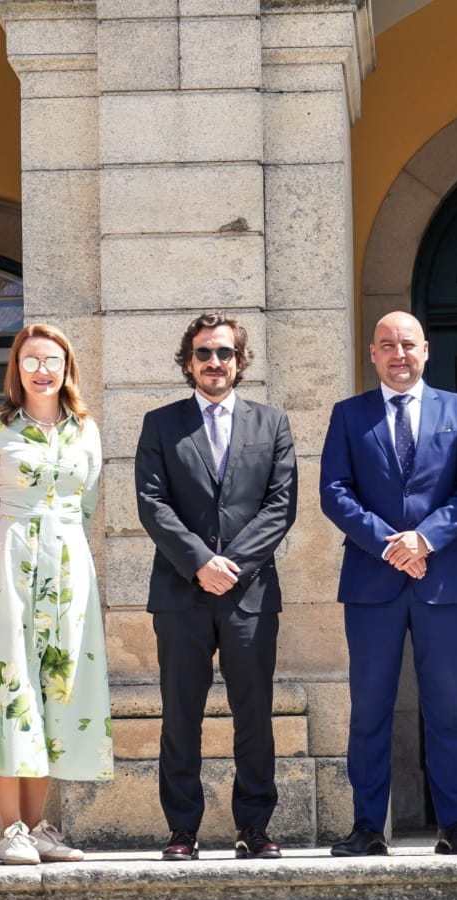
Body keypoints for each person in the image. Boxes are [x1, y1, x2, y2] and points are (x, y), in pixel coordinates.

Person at [319, 311, 457, 857]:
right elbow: (334, 491)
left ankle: (454, 826)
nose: (399, 354)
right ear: (373, 353)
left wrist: (424, 540)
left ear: (426, 350)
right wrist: (390, 544)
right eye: (388, 345)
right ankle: (368, 828)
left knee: (446, 710)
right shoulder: (349, 415)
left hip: (442, 583)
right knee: (369, 710)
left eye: (408, 344)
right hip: (372, 583)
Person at [135, 312, 297, 861]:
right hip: (181, 592)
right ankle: (182, 830)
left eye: (224, 352)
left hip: (249, 595)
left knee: (254, 714)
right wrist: (201, 562)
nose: (214, 362)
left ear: (239, 360)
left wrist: (232, 565)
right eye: (203, 352)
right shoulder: (161, 424)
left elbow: (280, 506)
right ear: (188, 362)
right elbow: (152, 504)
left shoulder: (271, 423)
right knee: (181, 715)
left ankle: (254, 827)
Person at [0, 323, 114, 865]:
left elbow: (87, 506)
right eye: (31, 361)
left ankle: (40, 827)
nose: (41, 370)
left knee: (56, 689)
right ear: (16, 368)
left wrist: (67, 558)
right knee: (9, 686)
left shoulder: (85, 430)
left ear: (67, 368)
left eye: (52, 361)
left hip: (69, 567)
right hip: (7, 566)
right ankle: (11, 829)